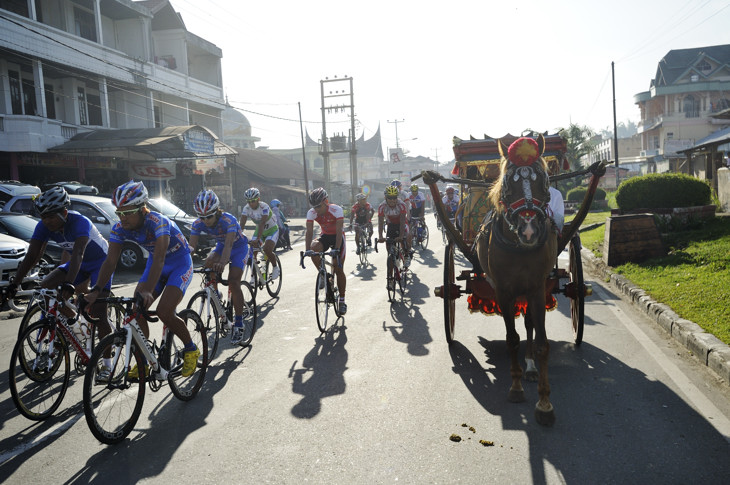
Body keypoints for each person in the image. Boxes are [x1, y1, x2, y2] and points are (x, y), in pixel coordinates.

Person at [84, 180, 200, 378]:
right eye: (119, 213)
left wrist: (147, 290)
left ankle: (191, 349)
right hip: (155, 265)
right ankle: (145, 361)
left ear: (142, 209)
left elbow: (161, 256)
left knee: (164, 311)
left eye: (128, 212)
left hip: (178, 263)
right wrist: (96, 290)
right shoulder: (119, 228)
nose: (123, 218)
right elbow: (110, 262)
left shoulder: (158, 221)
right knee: (136, 311)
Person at [9, 186, 114, 371]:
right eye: (43, 216)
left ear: (64, 212)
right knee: (46, 287)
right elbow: (32, 255)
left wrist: (69, 283)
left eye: (51, 216)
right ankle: (75, 320)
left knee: (99, 312)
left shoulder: (80, 222)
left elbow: (79, 253)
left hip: (99, 262)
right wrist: (15, 284)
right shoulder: (43, 226)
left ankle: (107, 363)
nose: (46, 221)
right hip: (78, 262)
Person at [188, 189, 251, 345]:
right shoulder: (197, 224)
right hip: (221, 247)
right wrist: (185, 265)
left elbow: (229, 244)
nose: (205, 220)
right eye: (201, 217)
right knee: (208, 263)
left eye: (209, 216)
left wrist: (223, 263)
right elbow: (191, 248)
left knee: (233, 282)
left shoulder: (228, 220)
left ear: (216, 211)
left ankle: (238, 323)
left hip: (239, 248)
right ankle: (215, 294)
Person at [305, 188, 347, 315]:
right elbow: (310, 232)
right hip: (325, 236)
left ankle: (342, 300)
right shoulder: (311, 212)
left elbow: (339, 231)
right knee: (314, 248)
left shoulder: (336, 210)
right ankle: (323, 274)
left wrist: (336, 249)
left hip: (338, 238)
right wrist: (307, 250)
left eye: (319, 206)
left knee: (338, 268)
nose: (316, 209)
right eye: (314, 207)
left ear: (326, 202)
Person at [239, 188, 280, 283]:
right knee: (252, 253)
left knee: (267, 249)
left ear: (258, 199)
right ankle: (253, 276)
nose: (251, 203)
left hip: (272, 230)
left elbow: (262, 223)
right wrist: (239, 236)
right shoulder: (246, 208)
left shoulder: (264, 206)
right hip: (259, 230)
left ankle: (275, 267)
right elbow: (242, 223)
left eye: (253, 201)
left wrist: (257, 239)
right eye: (248, 201)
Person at [378, 185, 410, 290]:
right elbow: (380, 222)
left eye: (394, 197)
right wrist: (381, 236)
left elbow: (402, 221)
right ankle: (390, 279)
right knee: (390, 254)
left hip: (401, 224)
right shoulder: (382, 207)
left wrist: (401, 236)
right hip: (391, 225)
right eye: (390, 198)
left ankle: (406, 254)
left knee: (405, 238)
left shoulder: (401, 205)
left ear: (397, 197)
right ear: (385, 197)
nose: (392, 200)